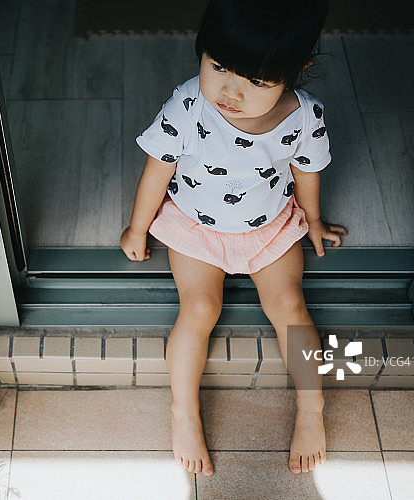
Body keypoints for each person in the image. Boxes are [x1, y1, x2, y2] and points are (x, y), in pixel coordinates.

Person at [120, 0, 347, 477]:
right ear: (202, 51)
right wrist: (139, 226)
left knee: (289, 306)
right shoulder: (188, 103)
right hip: (195, 227)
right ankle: (184, 415)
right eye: (219, 66)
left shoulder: (305, 116)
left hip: (269, 227)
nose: (230, 90)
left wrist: (314, 220)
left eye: (257, 81)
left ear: (296, 70)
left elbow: (308, 172)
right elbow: (157, 168)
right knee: (199, 309)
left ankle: (312, 410)